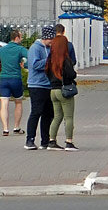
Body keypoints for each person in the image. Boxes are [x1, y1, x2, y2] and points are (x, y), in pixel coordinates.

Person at [47, 23, 79, 151]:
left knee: (57, 117)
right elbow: (71, 74)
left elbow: (47, 73)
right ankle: (69, 142)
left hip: (53, 91)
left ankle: (52, 141)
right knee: (68, 117)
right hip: (64, 90)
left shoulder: (51, 60)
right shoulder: (65, 60)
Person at [25, 25, 56, 150]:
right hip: (37, 85)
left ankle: (45, 140)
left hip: (48, 84)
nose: (52, 42)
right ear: (46, 38)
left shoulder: (49, 48)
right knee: (36, 112)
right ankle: (30, 139)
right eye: (51, 39)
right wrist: (49, 61)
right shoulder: (35, 48)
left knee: (48, 114)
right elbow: (35, 65)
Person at [0, 29, 28, 136]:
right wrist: (24, 64)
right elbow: (29, 57)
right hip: (15, 79)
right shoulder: (20, 49)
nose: (22, 39)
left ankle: (5, 129)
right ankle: (16, 127)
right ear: (17, 38)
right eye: (21, 37)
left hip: (3, 79)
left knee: (4, 104)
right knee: (18, 102)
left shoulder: (2, 50)